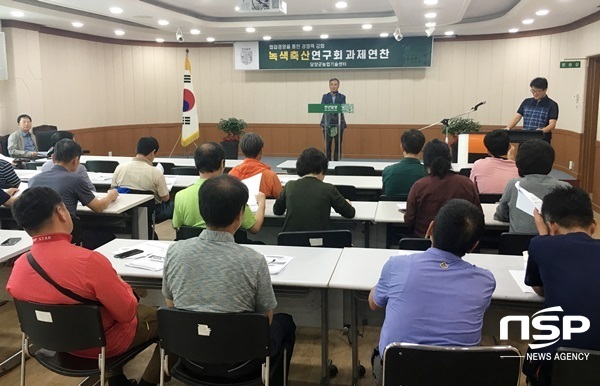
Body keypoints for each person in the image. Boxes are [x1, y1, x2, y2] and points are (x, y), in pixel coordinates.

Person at [6, 187, 161, 386]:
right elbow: (127, 313)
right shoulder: (89, 261)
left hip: (56, 343)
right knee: (170, 321)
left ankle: (116, 380)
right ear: (61, 211)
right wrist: (123, 288)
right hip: (103, 344)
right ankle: (147, 383)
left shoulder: (19, 266)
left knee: (101, 310)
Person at [163, 175, 295, 385]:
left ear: (202, 209)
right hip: (242, 362)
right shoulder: (254, 260)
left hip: (190, 358)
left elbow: (171, 305)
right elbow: (266, 319)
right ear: (240, 215)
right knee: (285, 322)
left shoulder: (175, 252)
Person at [369, 199, 495, 386]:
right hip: (456, 377)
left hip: (398, 374)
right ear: (473, 246)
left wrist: (380, 286)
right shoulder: (485, 281)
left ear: (430, 228)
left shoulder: (397, 265)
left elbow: (374, 304)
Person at [523, 186, 600, 385]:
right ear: (594, 226)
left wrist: (544, 236)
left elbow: (539, 288)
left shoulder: (540, 245)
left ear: (553, 227)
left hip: (558, 363)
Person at [28, 139, 118, 249]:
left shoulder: (33, 180)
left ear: (53, 158)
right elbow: (98, 207)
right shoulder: (75, 179)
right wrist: (111, 196)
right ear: (76, 161)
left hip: (40, 235)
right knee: (107, 235)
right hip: (67, 234)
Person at [172, 142, 266, 234]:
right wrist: (261, 203)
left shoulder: (180, 196)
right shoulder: (232, 193)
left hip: (193, 248)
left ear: (196, 164)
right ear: (222, 163)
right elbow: (255, 228)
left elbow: (176, 226)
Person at [404, 139, 481, 238]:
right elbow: (478, 218)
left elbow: (409, 221)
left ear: (426, 161)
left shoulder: (419, 186)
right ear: (450, 159)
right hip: (461, 244)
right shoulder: (467, 184)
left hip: (424, 243)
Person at [494, 139, 569, 233]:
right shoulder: (564, 188)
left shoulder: (514, 185)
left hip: (517, 245)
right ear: (551, 163)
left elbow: (501, 215)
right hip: (552, 246)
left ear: (518, 163)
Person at [273, 147, 355, 232]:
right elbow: (350, 213)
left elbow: (277, 210)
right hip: (319, 241)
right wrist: (346, 203)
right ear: (322, 169)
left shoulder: (289, 186)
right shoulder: (328, 189)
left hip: (289, 241)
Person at [111, 137, 173, 222]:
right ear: (153, 152)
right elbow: (165, 198)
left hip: (125, 212)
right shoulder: (156, 172)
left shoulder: (120, 168)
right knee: (174, 204)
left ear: (137, 149)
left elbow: (112, 190)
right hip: (150, 213)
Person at [228, 132, 283, 198]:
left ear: (242, 151)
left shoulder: (232, 175)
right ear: (261, 151)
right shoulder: (270, 176)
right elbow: (280, 198)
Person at [506, 77, 558, 143]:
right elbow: (516, 118)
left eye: (538, 91)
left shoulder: (552, 105)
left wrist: (542, 131)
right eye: (533, 91)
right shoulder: (526, 102)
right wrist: (508, 128)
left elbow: (552, 124)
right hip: (525, 138)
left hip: (541, 140)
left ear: (545, 90)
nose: (535, 93)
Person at [469, 130, 519, 194]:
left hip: (485, 203)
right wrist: (512, 161)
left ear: (488, 151)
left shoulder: (478, 165)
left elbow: (472, 190)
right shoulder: (520, 168)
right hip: (511, 204)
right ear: (510, 147)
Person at [382, 129, 426, 197]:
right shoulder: (427, 173)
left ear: (402, 147)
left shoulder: (388, 171)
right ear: (422, 149)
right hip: (418, 208)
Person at [320, 78, 347, 161]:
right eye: (331, 84)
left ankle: (337, 161)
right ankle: (327, 162)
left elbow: (343, 108)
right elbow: (322, 107)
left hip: (339, 123)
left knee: (338, 144)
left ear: (338, 86)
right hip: (327, 123)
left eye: (335, 84)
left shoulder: (342, 97)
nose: (333, 86)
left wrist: (333, 107)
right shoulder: (325, 96)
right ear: (329, 86)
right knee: (327, 144)